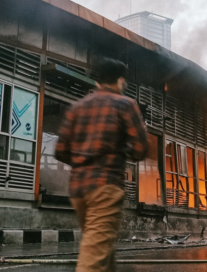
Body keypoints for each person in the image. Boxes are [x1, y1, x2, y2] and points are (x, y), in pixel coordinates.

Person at [55, 58, 149, 272]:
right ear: (120, 80)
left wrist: (83, 160)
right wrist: (122, 152)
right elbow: (141, 149)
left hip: (78, 190)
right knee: (94, 259)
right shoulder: (125, 104)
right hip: (105, 187)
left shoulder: (77, 107)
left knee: (101, 251)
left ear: (97, 81)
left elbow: (60, 151)